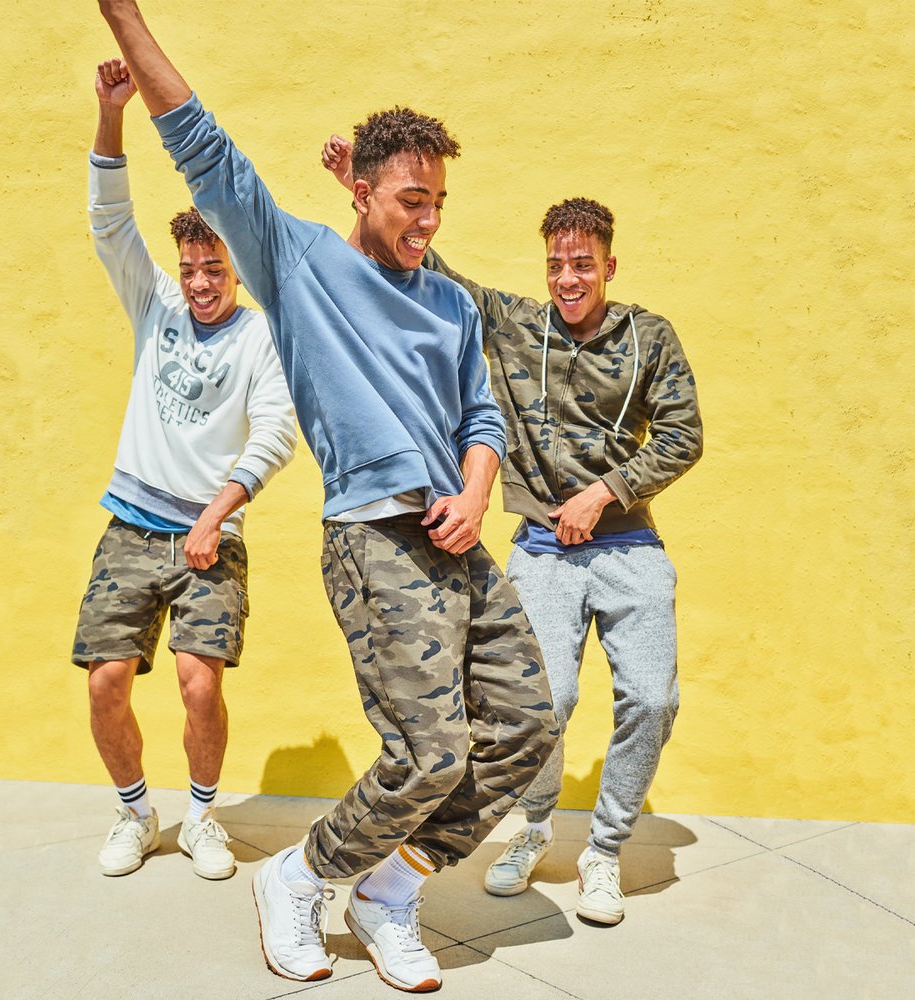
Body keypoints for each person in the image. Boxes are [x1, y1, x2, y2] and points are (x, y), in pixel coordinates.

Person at [96, 2, 557, 991]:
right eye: (409, 199)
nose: (426, 220)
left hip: (456, 538)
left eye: (438, 202)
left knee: (524, 728)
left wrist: (479, 493)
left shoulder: (450, 301)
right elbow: (199, 142)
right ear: (359, 187)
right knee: (430, 751)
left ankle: (389, 891)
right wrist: (123, 16)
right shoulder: (301, 263)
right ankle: (299, 877)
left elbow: (482, 417)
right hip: (375, 540)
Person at [322, 134, 703, 926]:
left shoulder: (649, 337)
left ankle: (604, 849)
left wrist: (605, 492)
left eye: (583, 265)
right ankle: (532, 828)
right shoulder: (516, 324)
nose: (569, 279)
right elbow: (429, 264)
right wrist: (354, 187)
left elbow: (682, 434)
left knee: (652, 698)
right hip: (541, 551)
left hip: (629, 546)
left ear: (608, 266)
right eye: (557, 265)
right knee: (543, 701)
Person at [73, 58, 296, 883]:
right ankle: (137, 814)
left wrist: (215, 516)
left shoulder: (261, 336)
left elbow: (275, 434)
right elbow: (109, 222)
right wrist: (111, 114)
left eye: (216, 269)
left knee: (199, 684)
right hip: (132, 527)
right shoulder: (156, 303)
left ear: (236, 266)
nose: (202, 283)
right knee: (106, 683)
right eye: (192, 268)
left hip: (212, 536)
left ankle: (202, 817)